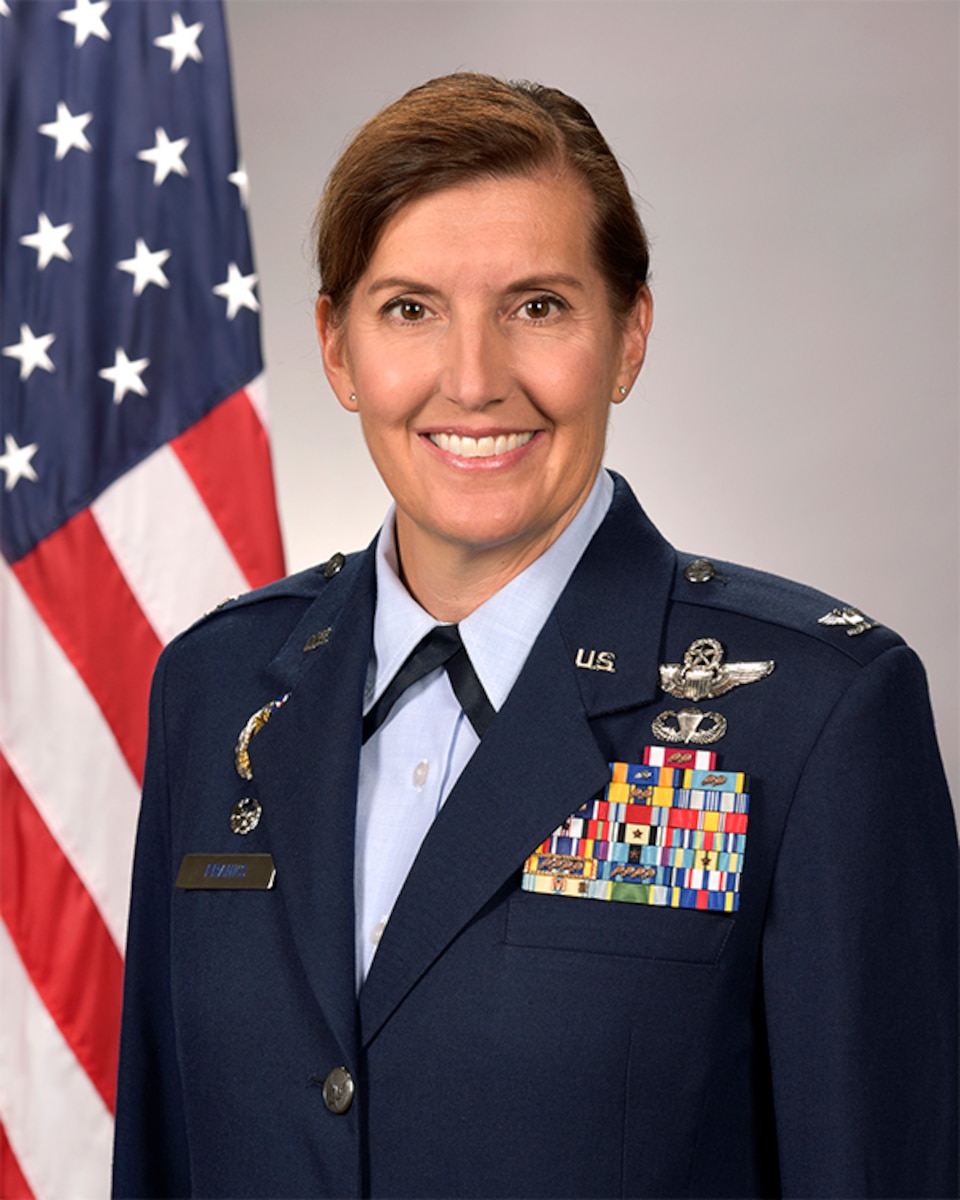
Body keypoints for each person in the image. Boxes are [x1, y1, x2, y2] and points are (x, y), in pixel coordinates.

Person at [112, 73, 958, 1199]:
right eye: (410, 309)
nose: (473, 381)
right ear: (336, 347)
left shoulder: (816, 715)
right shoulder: (218, 690)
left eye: (538, 306)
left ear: (628, 335)